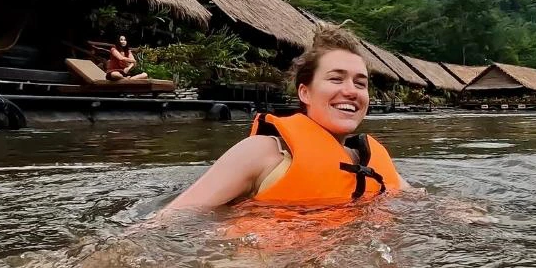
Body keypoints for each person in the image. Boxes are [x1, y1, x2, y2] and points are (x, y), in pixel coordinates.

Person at [164, 23, 409, 211]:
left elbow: (419, 206)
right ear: (305, 92)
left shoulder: (371, 165)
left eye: (360, 83)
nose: (351, 91)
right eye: (336, 79)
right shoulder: (262, 153)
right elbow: (172, 219)